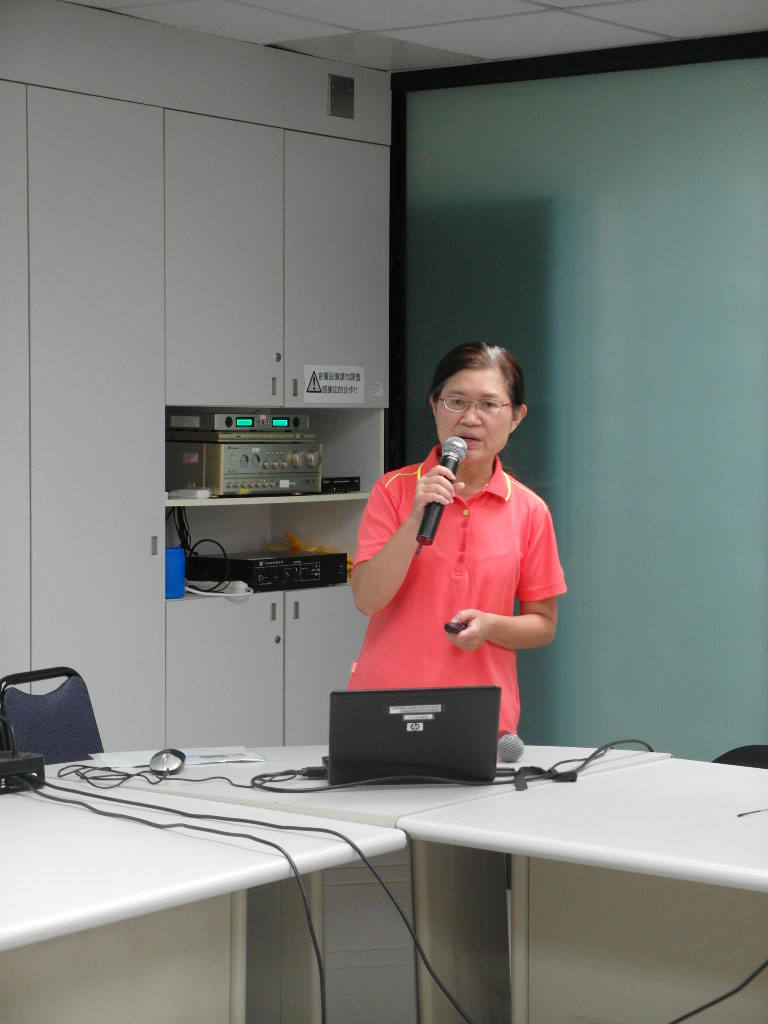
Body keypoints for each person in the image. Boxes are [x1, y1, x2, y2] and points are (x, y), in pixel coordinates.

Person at [349, 341, 566, 737]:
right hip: (386, 707)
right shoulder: (393, 491)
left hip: (480, 715)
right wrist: (416, 518)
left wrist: (491, 626)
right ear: (435, 405)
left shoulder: (530, 510)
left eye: (489, 404)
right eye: (456, 401)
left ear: (516, 416)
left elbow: (544, 624)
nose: (470, 418)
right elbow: (366, 600)